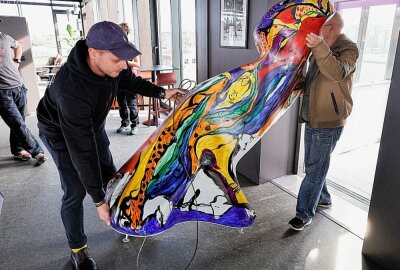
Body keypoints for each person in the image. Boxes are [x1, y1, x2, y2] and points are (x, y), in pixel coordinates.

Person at [36, 21, 185, 270]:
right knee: (75, 188)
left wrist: (162, 93)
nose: (124, 65)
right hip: (59, 132)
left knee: (112, 177)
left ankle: (124, 220)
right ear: (93, 52)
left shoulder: (111, 66)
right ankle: (78, 250)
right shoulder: (70, 89)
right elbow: (83, 151)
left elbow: (131, 81)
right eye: (118, 59)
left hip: (90, 125)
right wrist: (98, 201)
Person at [289, 12, 359, 231]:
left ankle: (303, 214)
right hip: (312, 116)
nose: (316, 28)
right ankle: (325, 198)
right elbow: (314, 78)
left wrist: (319, 47)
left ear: (332, 27)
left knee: (314, 168)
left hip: (329, 120)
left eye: (320, 25)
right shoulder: (319, 46)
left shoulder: (349, 49)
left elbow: (337, 73)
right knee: (317, 165)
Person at [0, 25, 47, 166]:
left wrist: (17, 61)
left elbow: (19, 45)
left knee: (19, 122)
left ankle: (18, 149)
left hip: (19, 87)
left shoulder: (5, 38)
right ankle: (37, 151)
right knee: (17, 123)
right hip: (2, 92)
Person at [116, 23, 140, 135]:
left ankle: (135, 125)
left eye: (123, 32)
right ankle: (125, 123)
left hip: (130, 79)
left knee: (132, 104)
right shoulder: (114, 48)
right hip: (118, 79)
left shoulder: (131, 47)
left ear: (126, 33)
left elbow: (138, 63)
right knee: (122, 104)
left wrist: (125, 62)